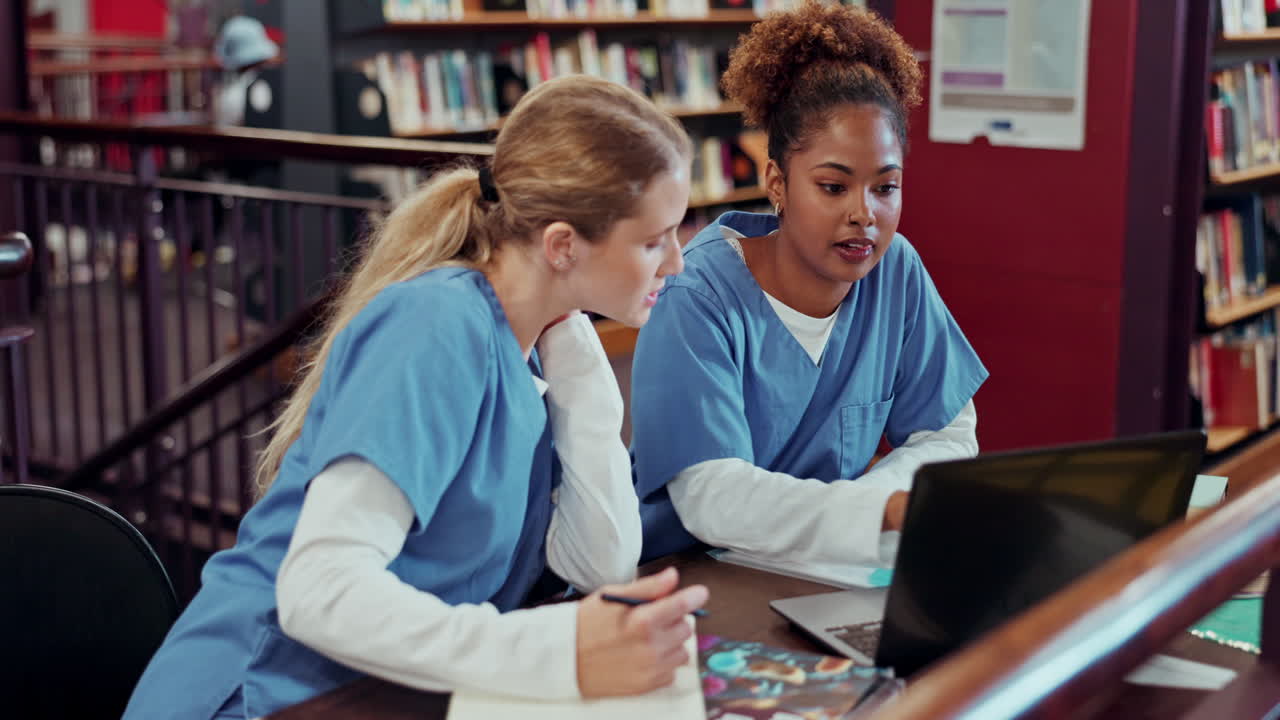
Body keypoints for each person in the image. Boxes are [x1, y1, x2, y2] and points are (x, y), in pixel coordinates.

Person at [123, 75, 706, 720]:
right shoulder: (436, 327)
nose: (675, 263)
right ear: (563, 245)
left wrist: (583, 373)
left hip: (383, 694)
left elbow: (603, 566)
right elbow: (320, 591)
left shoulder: (541, 348)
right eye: (655, 240)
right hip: (263, 696)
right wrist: (551, 650)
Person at [630, 2, 989, 565]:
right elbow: (710, 499)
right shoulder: (696, 294)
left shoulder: (895, 269)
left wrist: (871, 506)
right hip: (692, 577)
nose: (864, 215)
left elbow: (947, 436)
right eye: (833, 186)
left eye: (886, 187)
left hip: (822, 568)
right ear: (777, 182)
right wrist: (877, 513)